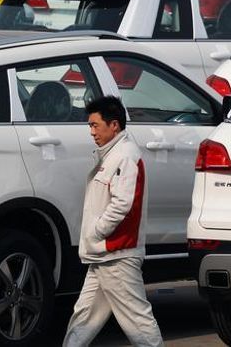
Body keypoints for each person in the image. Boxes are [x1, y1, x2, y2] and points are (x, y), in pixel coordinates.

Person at [63, 96, 164, 347]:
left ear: (114, 125)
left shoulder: (125, 156)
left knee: (138, 322)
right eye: (90, 126)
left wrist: (97, 232)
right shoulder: (115, 154)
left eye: (95, 125)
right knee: (84, 317)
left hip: (116, 253)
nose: (91, 132)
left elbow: (122, 204)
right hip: (105, 254)